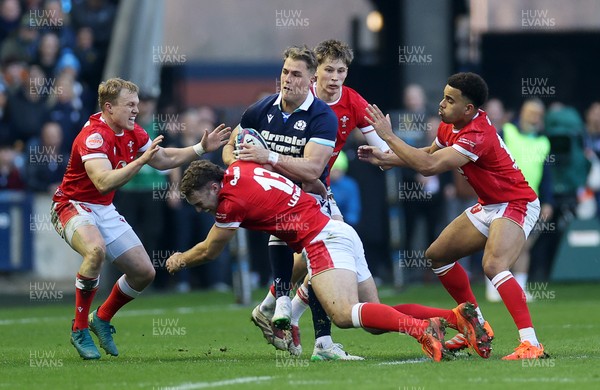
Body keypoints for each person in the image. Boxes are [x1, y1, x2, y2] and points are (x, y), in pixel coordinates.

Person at [165, 159, 491, 363]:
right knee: (376, 321)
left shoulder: (229, 202)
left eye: (198, 201)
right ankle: (456, 316)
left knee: (344, 315)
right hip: (337, 230)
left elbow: (210, 250)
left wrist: (179, 260)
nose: (199, 209)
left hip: (322, 240)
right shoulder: (241, 167)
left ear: (212, 186)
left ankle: (422, 329)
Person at [358, 72, 547, 360]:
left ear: (468, 109)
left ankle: (531, 343)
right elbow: (428, 153)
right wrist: (388, 158)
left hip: (515, 201)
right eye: (443, 96)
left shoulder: (476, 135)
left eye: (450, 99)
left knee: (494, 265)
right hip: (489, 204)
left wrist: (388, 136)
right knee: (437, 255)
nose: (441, 104)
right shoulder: (451, 125)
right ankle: (476, 324)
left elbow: (429, 166)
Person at [50, 77, 231, 360]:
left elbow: (163, 159)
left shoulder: (133, 131)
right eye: (130, 105)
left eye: (137, 104)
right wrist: (139, 162)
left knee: (144, 272)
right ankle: (79, 328)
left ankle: (103, 317)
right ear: (109, 107)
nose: (136, 110)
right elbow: (103, 182)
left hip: (103, 208)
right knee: (95, 251)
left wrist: (199, 148)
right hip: (73, 204)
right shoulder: (94, 136)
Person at [222, 45, 342, 358]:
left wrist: (269, 157)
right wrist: (238, 166)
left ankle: (270, 306)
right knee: (321, 266)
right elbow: (231, 148)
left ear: (310, 79)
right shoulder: (261, 110)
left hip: (314, 198)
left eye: (296, 74)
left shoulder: (322, 116)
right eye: (285, 72)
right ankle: (323, 342)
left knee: (337, 271)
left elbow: (314, 168)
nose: (288, 79)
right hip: (278, 202)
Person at [485, 98, 554, 302]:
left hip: (530, 203)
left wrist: (548, 201)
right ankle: (493, 287)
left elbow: (547, 175)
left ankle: (520, 288)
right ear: (522, 113)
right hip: (504, 198)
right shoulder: (506, 132)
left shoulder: (543, 141)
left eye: (537, 113)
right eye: (530, 112)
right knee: (499, 244)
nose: (533, 116)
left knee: (524, 246)